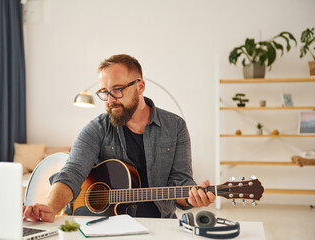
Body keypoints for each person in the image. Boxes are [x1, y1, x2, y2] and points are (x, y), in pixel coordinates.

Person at [23, 54, 215, 223]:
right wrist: (50, 206)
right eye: (104, 92)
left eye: (117, 90)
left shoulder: (175, 126)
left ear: (140, 86)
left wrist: (192, 197)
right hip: (106, 225)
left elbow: (180, 182)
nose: (110, 99)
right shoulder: (96, 129)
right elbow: (72, 173)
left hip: (160, 224)